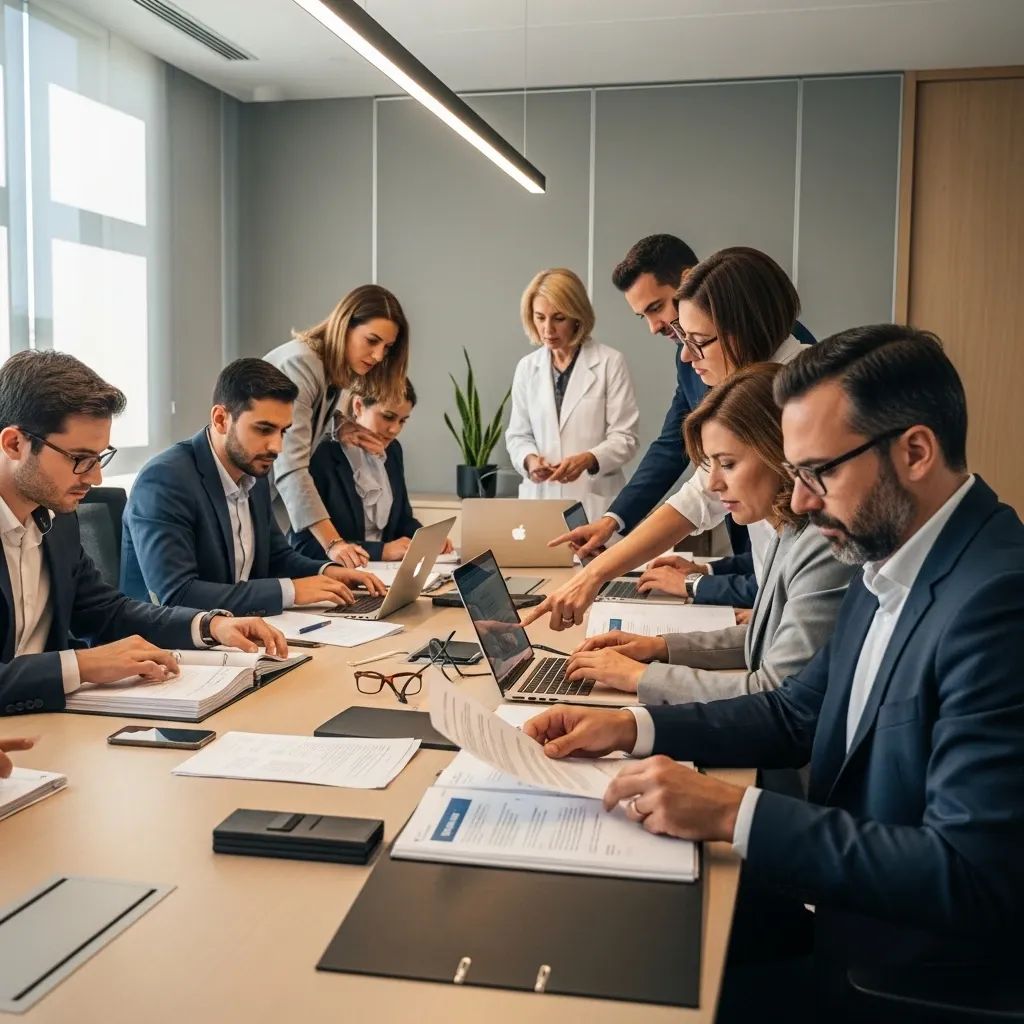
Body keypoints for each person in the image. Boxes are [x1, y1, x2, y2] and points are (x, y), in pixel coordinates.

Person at [524, 325, 1024, 1016]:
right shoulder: (890, 557)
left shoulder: (998, 600)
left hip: (908, 970)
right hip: (850, 904)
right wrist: (630, 727)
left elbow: (969, 873)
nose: (804, 501)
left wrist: (734, 810)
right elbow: (797, 712)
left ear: (915, 451)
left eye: (820, 473)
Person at [524, 246, 808, 632]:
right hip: (775, 596)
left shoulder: (799, 390)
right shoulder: (738, 372)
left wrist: (596, 576)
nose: (687, 356)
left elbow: (700, 493)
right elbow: (687, 472)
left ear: (740, 326)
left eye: (699, 341)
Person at [0, 351, 286, 717]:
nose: (94, 478)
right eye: (80, 458)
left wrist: (211, 625)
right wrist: (81, 665)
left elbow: (106, 612)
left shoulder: (58, 519)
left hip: (50, 725)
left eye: (100, 458)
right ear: (14, 444)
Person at [565, 363, 854, 704]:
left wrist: (640, 677)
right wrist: (659, 647)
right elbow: (765, 637)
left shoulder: (822, 545)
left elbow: (775, 690)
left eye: (727, 464)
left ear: (781, 452)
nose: (714, 484)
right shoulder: (785, 531)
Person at [120, 359, 386, 616]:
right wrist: (291, 591)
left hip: (237, 632)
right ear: (221, 419)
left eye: (283, 432)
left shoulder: (252, 472)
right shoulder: (165, 480)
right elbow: (178, 595)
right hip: (167, 646)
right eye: (263, 429)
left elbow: (277, 557)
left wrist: (327, 571)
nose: (277, 447)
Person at [264, 284, 409, 569]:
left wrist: (338, 425)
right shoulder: (300, 365)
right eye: (372, 340)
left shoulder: (325, 368)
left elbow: (301, 419)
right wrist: (334, 543)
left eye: (387, 348)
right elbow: (290, 465)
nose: (379, 356)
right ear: (344, 325)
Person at [504, 268, 639, 522]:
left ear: (577, 316)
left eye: (558, 318)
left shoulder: (610, 362)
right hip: (540, 501)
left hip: (593, 502)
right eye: (540, 317)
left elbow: (626, 438)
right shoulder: (526, 367)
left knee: (594, 561)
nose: (547, 329)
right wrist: (530, 460)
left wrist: (589, 459)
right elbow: (517, 435)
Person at [289, 377, 452, 562]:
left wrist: (427, 538)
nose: (394, 429)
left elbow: (402, 520)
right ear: (358, 406)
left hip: (386, 573)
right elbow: (302, 546)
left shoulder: (393, 449)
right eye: (388, 417)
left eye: (402, 421)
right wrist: (380, 551)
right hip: (339, 574)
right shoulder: (320, 455)